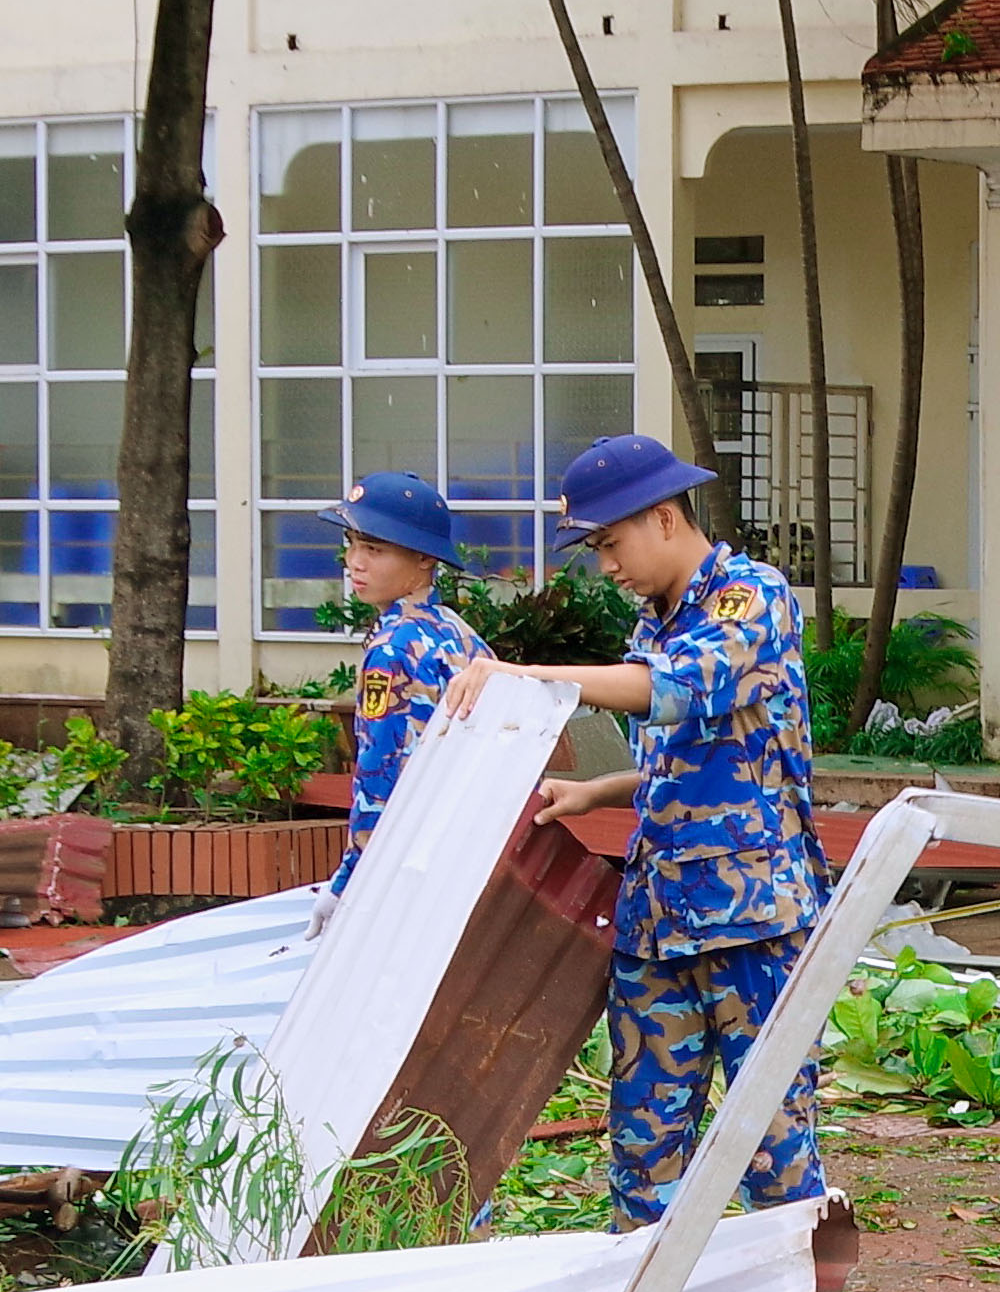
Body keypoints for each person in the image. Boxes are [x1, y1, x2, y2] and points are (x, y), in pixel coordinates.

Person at [439, 430, 832, 1230]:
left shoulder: (749, 598)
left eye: (611, 543)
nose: (606, 565)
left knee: (772, 1148)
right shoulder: (656, 621)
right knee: (642, 1148)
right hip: (656, 925)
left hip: (752, 923)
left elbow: (678, 691)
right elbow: (695, 750)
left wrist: (525, 677)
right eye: (594, 549)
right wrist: (600, 792)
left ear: (662, 517)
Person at [320, 471, 487, 872]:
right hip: (467, 847)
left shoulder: (393, 650)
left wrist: (350, 879)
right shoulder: (456, 631)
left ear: (425, 557)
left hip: (411, 863)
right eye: (353, 544)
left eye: (375, 549)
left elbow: (379, 774)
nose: (355, 563)